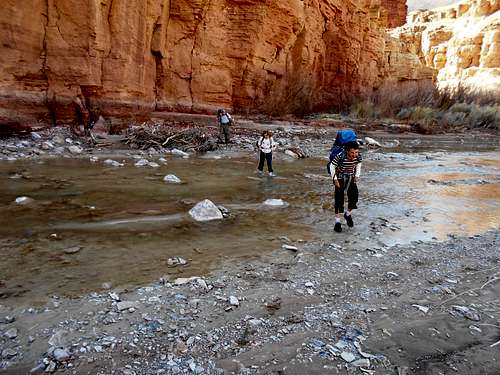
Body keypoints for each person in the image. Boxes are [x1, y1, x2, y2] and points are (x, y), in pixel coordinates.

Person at [328, 141, 362, 233]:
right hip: (340, 178)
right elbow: (332, 166)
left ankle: (347, 214)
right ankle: (337, 222)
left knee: (354, 197)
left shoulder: (358, 156)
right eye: (352, 153)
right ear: (347, 151)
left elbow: (359, 164)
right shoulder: (340, 156)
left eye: (356, 152)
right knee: (339, 199)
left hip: (351, 177)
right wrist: (335, 179)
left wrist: (357, 175)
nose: (354, 155)